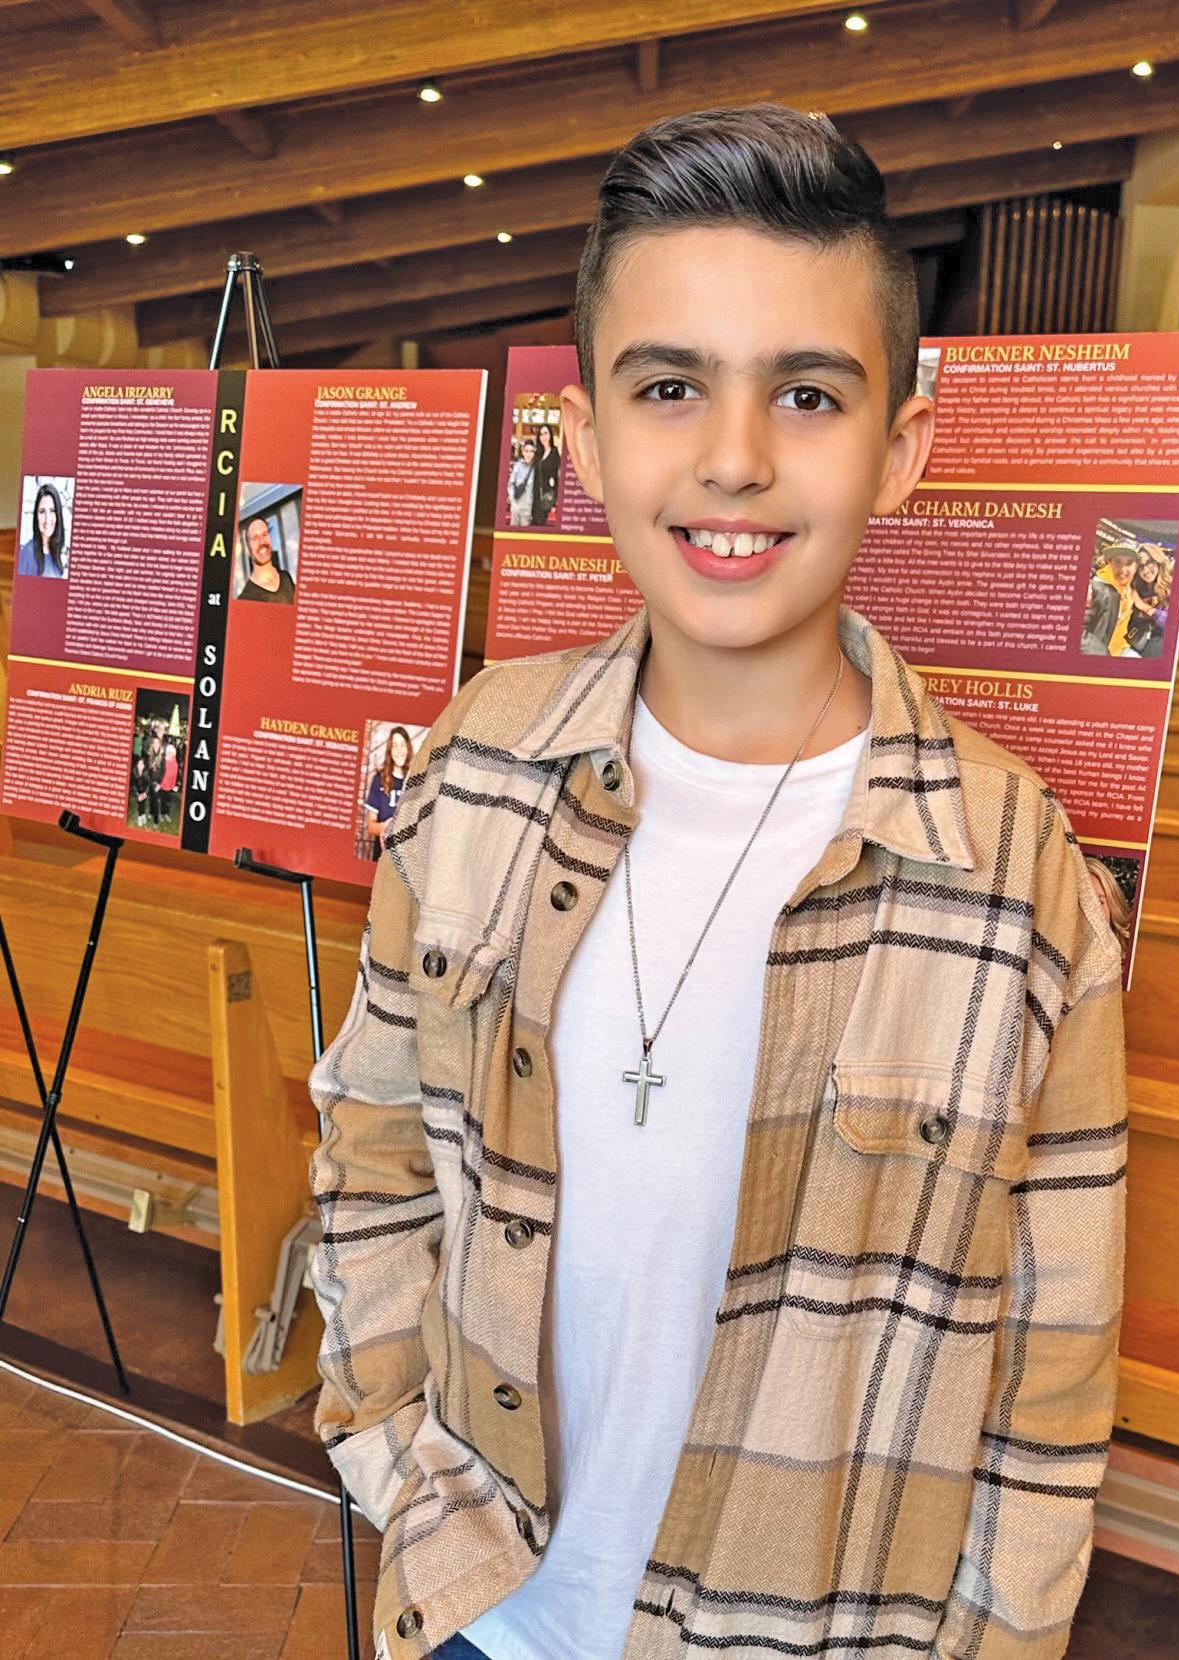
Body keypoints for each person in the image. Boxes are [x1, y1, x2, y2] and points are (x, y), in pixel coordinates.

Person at [307, 104, 1127, 1660]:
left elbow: (1053, 1360)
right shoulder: (476, 768)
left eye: (806, 395)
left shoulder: (1018, 876)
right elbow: (375, 1151)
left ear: (898, 451)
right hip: (483, 1606)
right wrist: (395, 1459)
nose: (735, 461)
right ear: (588, 439)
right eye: (670, 387)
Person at [362, 725, 413, 860]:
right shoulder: (379, 779)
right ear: (390, 750)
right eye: (395, 745)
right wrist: (384, 827)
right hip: (382, 857)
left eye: (402, 745)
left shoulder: (415, 779)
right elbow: (370, 827)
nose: (399, 750)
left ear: (408, 748)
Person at [1081, 543, 1138, 655]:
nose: (1123, 569)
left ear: (1136, 567)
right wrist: (1102, 654)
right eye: (1117, 562)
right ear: (1110, 564)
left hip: (1121, 647)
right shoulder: (1097, 590)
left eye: (1129, 563)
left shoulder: (1129, 589)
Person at [1124, 543, 1172, 659]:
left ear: (1158, 561)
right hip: (1134, 641)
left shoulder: (1171, 587)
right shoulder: (1134, 586)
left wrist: (1146, 608)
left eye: (1149, 562)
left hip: (1158, 643)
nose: (1145, 571)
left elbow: (1174, 624)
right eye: (1141, 566)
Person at [236, 514, 297, 602]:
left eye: (265, 534)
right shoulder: (245, 600)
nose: (262, 542)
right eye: (255, 538)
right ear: (248, 549)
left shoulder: (285, 577)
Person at [16, 482, 68, 579]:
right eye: (42, 512)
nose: (47, 519)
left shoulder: (55, 552)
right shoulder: (28, 553)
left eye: (52, 511)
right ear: (36, 516)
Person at [530, 422, 561, 524]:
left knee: (541, 522)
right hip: (534, 494)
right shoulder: (538, 453)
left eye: (546, 433)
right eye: (541, 434)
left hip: (546, 495)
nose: (543, 437)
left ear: (550, 435)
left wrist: (555, 500)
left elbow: (556, 477)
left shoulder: (554, 452)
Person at [507, 437, 538, 525]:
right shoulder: (517, 466)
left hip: (528, 509)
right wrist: (512, 499)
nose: (529, 454)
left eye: (531, 451)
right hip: (515, 508)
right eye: (526, 451)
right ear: (523, 452)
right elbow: (511, 484)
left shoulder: (536, 468)